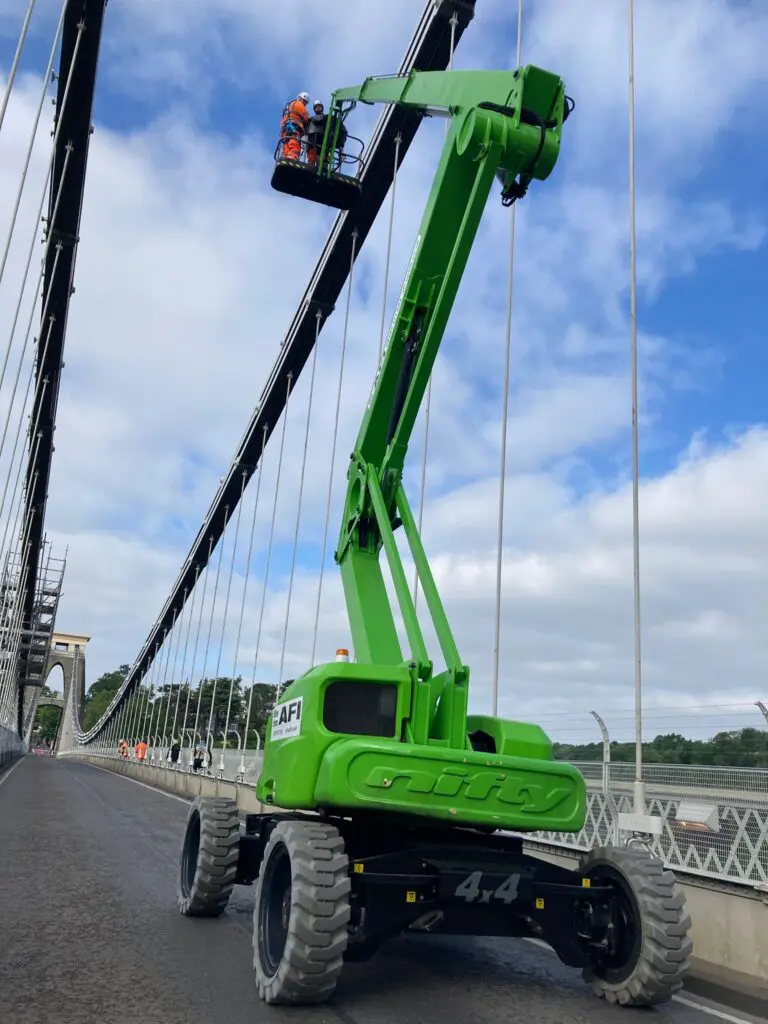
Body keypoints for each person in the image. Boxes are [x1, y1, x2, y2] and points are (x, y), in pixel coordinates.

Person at [279, 91, 310, 161]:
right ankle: (293, 156)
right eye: (304, 101)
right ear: (301, 99)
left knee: (287, 143)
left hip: (286, 127)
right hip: (294, 126)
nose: (305, 104)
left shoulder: (290, 105)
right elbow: (306, 117)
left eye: (306, 102)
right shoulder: (299, 104)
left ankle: (286, 157)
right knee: (294, 142)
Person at [306, 100, 327, 167]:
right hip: (312, 142)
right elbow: (306, 132)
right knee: (311, 160)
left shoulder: (326, 119)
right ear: (314, 109)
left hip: (323, 143)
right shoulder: (311, 120)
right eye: (316, 107)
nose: (318, 108)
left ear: (322, 108)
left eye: (319, 107)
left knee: (323, 162)